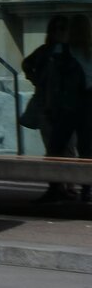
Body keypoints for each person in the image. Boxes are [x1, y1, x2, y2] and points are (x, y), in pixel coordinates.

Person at [24, 14, 90, 201]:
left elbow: (56, 82)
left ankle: (70, 188)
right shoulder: (59, 52)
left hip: (70, 106)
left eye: (66, 28)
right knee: (66, 148)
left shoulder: (63, 52)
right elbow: (52, 81)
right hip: (71, 105)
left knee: (67, 148)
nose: (63, 32)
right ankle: (66, 188)